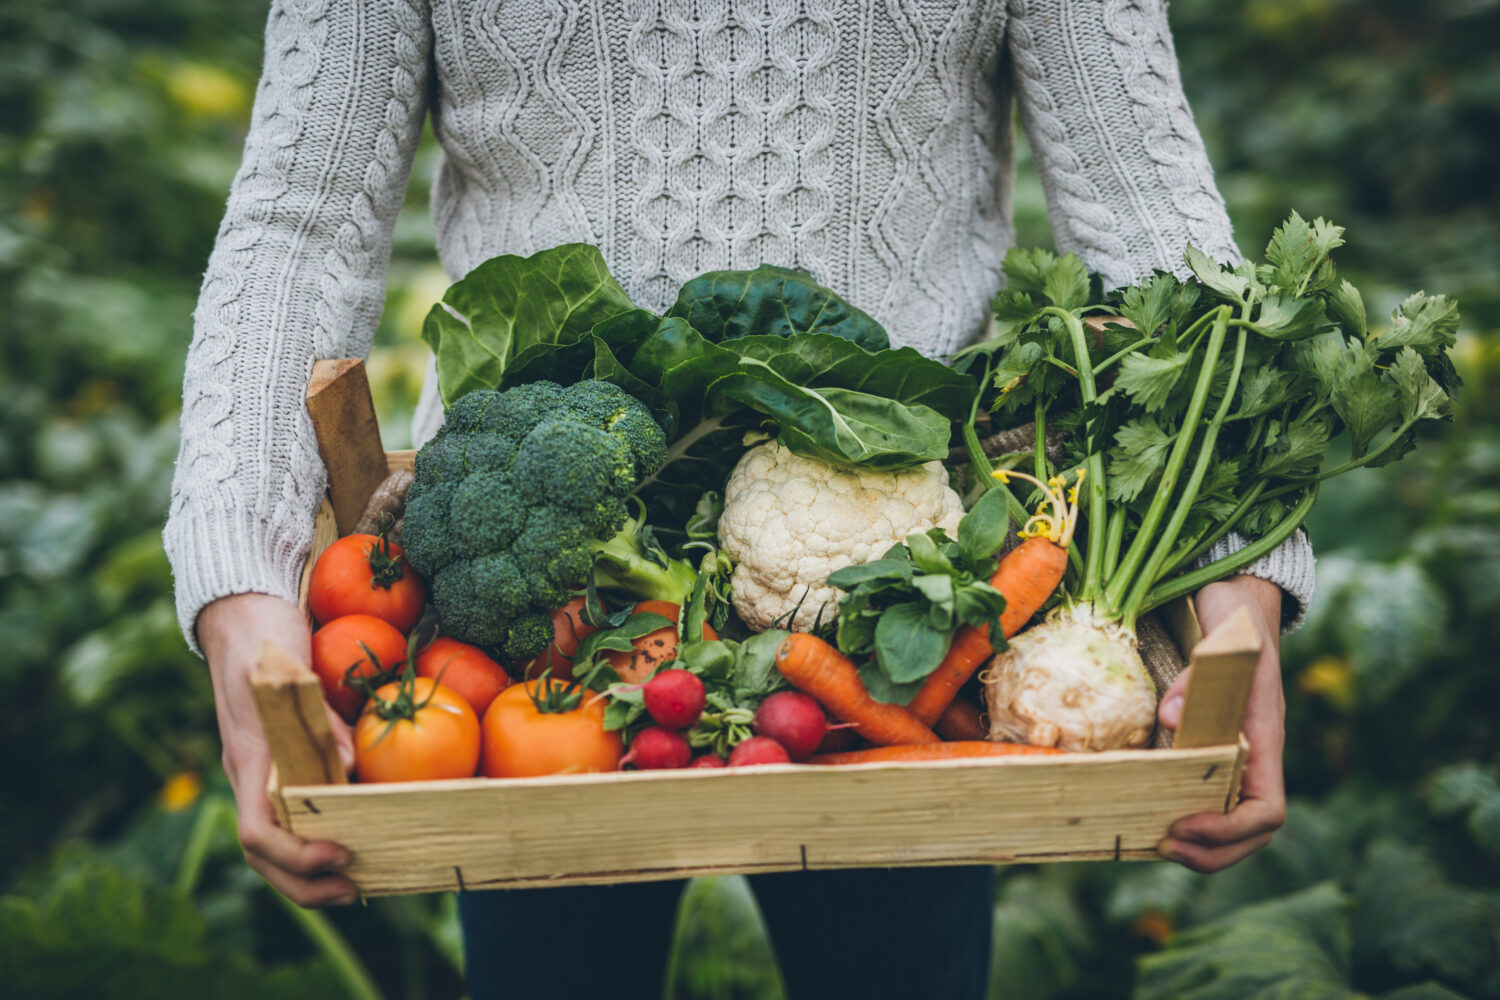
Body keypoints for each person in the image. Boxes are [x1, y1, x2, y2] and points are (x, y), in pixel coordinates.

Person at [167, 1, 1313, 995]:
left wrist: (1239, 575)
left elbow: (1143, 197)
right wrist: (240, 577)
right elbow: (296, 225)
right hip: (536, 619)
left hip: (913, 616)